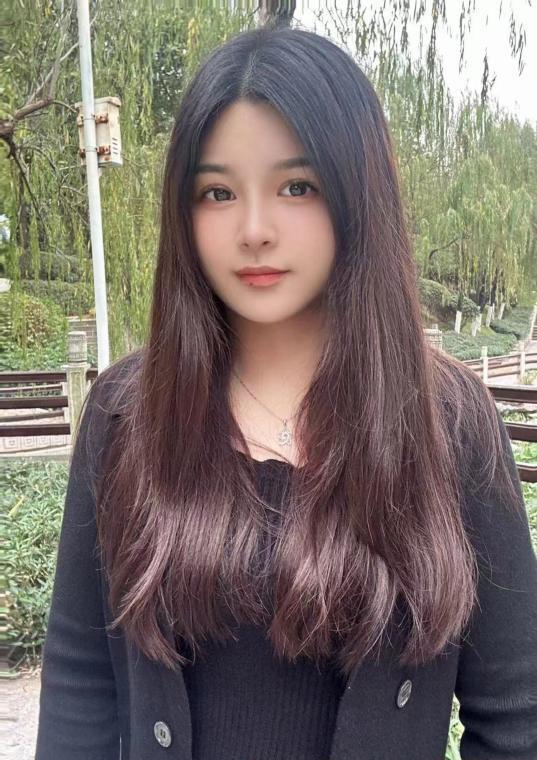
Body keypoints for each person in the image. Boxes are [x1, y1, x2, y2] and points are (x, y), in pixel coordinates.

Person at [35, 24, 537, 760]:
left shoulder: (448, 424)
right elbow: (79, 686)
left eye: (296, 186)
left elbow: (517, 717)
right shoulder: (126, 415)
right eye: (217, 192)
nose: (254, 230)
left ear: (356, 193)